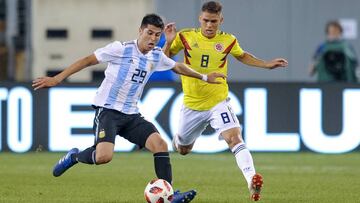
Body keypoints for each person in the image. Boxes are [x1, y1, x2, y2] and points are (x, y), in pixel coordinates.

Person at [32, 14, 225, 203]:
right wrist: (57, 78)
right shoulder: (120, 49)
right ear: (140, 31)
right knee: (103, 157)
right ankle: (73, 157)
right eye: (149, 33)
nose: (153, 38)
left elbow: (177, 67)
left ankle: (170, 195)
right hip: (108, 111)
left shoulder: (156, 56)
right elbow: (87, 60)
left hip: (132, 115)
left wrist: (205, 77)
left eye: (157, 35)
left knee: (160, 144)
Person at [163, 1, 288, 201]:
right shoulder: (185, 36)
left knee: (234, 138)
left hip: (218, 101)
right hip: (192, 104)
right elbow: (165, 60)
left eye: (214, 21)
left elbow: (242, 55)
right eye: (206, 21)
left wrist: (266, 64)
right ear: (200, 19)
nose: (209, 25)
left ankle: (251, 181)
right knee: (183, 149)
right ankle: (179, 140)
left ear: (221, 20)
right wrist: (168, 42)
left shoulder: (228, 40)